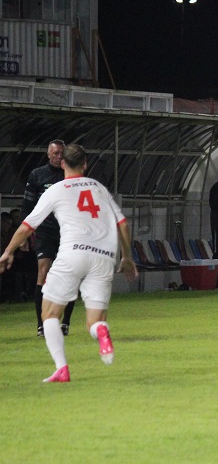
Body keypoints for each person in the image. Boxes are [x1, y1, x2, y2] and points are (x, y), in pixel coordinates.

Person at [0, 143, 138, 383]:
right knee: (95, 320)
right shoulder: (99, 188)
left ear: (62, 163)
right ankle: (101, 332)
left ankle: (62, 368)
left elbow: (27, 226)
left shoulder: (55, 190)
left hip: (72, 254)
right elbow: (123, 224)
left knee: (49, 313)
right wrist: (126, 257)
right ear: (85, 165)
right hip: (104, 258)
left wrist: (8, 251)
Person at [25, 139, 75, 336]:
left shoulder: (71, 175)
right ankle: (41, 324)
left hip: (68, 233)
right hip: (45, 232)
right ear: (48, 154)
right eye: (55, 153)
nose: (59, 157)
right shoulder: (37, 175)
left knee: (69, 277)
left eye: (61, 153)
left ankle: (66, 323)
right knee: (43, 272)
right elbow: (28, 207)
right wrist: (25, 235)